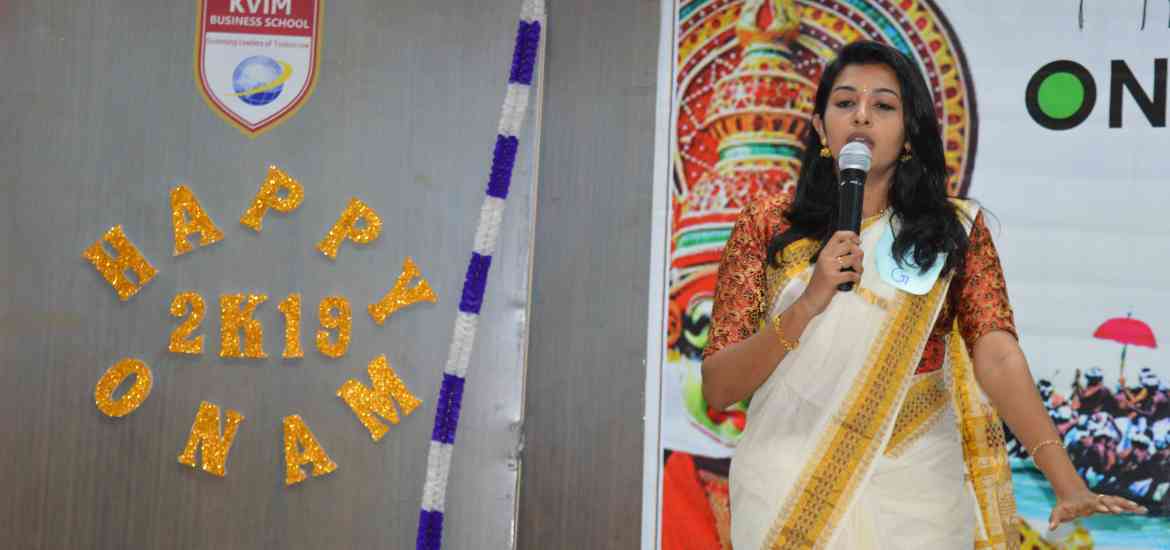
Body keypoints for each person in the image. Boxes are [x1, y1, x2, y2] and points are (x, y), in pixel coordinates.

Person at [699, 41, 1147, 549]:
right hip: (786, 479)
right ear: (822, 128)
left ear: (910, 133)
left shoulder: (951, 232)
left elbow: (996, 356)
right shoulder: (767, 226)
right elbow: (719, 388)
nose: (862, 116)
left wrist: (1066, 481)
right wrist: (809, 302)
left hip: (917, 489)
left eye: (884, 105)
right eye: (845, 103)